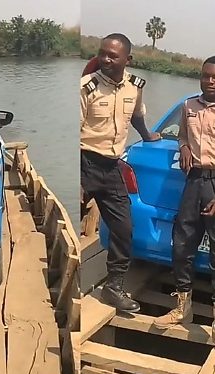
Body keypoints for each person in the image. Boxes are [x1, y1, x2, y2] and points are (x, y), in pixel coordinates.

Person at [152, 56, 215, 357]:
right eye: (206, 76)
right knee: (182, 246)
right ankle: (182, 308)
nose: (210, 81)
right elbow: (183, 133)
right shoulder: (188, 107)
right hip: (194, 183)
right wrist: (183, 146)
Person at [80, 33, 160, 313]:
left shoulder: (135, 87)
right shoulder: (86, 88)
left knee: (124, 228)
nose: (105, 60)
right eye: (103, 53)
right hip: (84, 161)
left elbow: (136, 116)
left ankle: (113, 287)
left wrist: (148, 136)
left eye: (113, 56)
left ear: (128, 60)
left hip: (112, 166)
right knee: (68, 220)